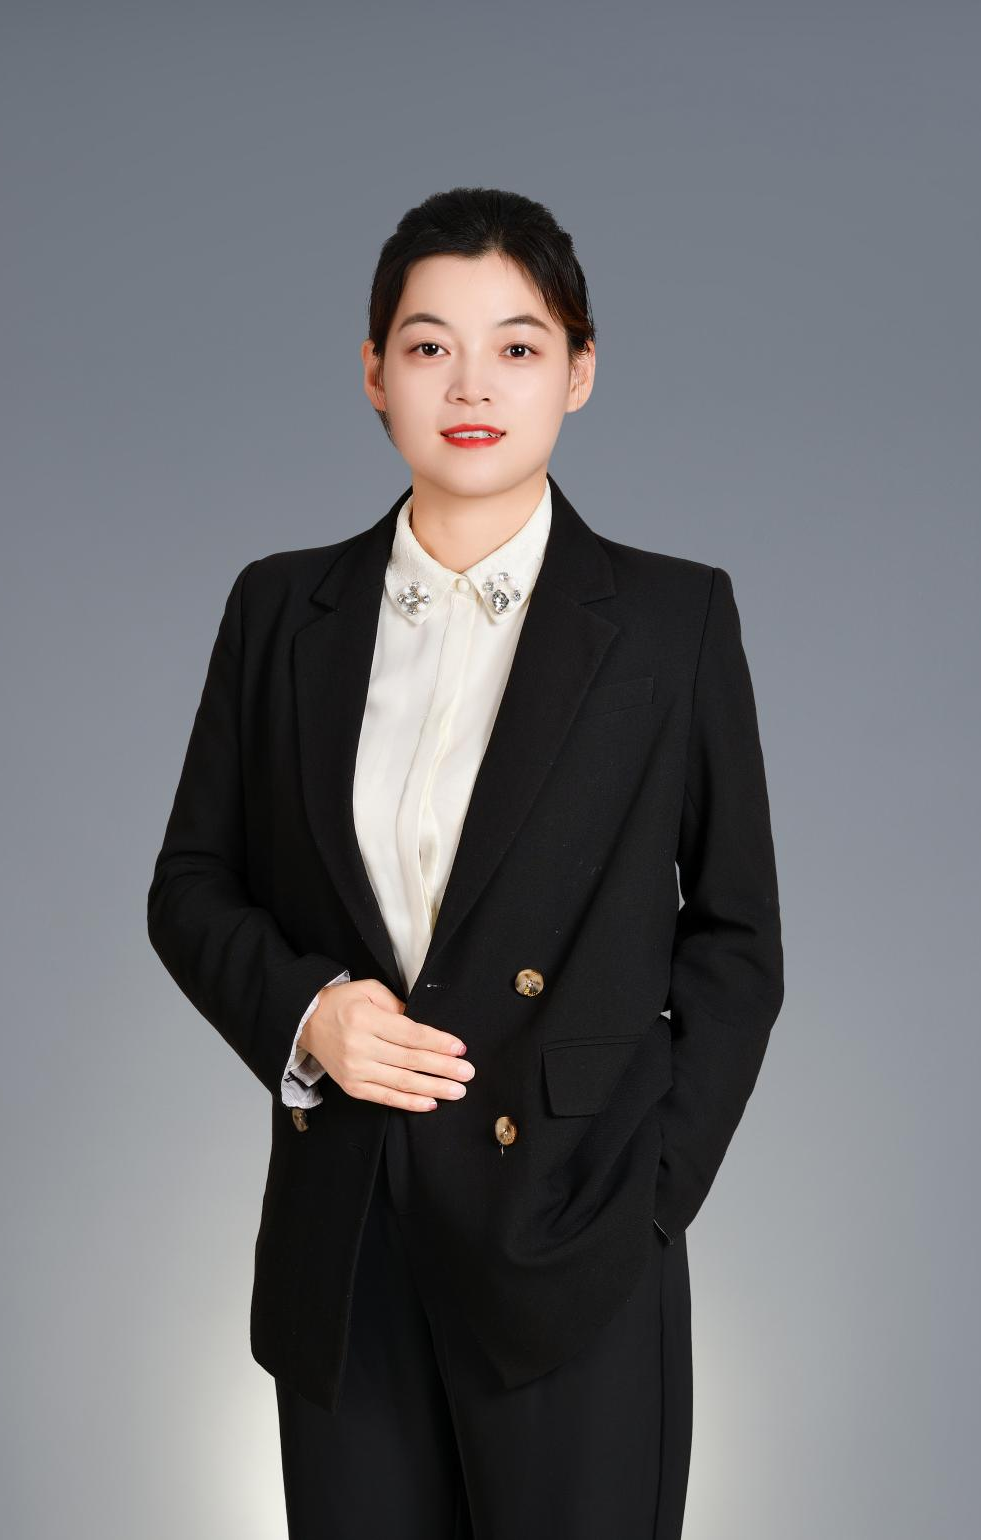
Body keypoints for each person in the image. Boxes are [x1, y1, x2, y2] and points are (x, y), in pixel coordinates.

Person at [147, 185, 784, 1539]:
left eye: (519, 345)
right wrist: (309, 1011)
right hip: (345, 1237)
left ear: (580, 370)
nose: (473, 385)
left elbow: (736, 936)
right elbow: (192, 885)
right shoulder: (280, 608)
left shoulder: (671, 620)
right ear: (374, 372)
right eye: (430, 345)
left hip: (572, 1241)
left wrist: (647, 1199)